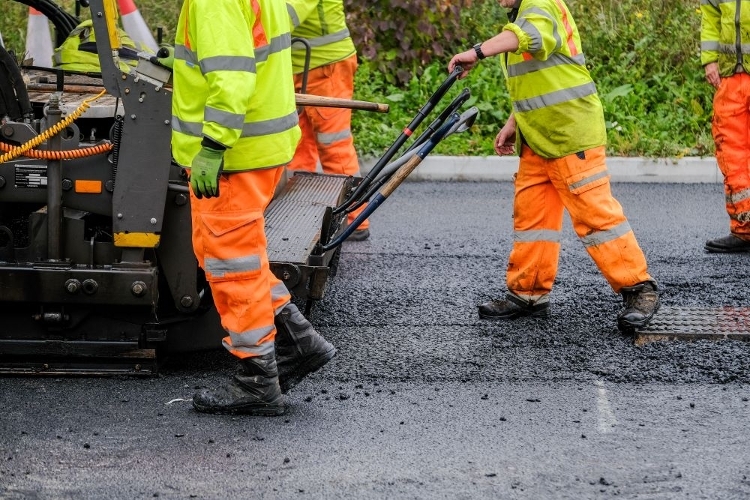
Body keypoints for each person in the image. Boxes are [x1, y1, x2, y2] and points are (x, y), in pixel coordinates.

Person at [447, 0, 660, 332]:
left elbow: (526, 36)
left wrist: (477, 52)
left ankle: (639, 289)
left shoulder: (541, 5)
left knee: (596, 216)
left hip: (570, 134)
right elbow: (540, 81)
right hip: (538, 137)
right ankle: (527, 292)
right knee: (533, 220)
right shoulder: (522, 14)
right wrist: (514, 123)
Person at [170, 0, 337, 415]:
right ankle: (299, 342)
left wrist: (212, 146)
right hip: (260, 146)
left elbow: (231, 77)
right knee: (234, 256)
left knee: (230, 264)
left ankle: (257, 380)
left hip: (233, 156)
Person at [285, 0, 370, 241]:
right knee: (297, 144)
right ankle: (299, 212)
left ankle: (355, 219)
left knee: (334, 144)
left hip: (325, 67)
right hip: (298, 66)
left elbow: (287, 15)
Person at [701, 0, 750, 253]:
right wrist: (709, 60)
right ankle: (744, 228)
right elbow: (710, 18)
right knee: (732, 154)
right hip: (731, 77)